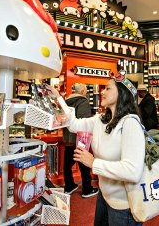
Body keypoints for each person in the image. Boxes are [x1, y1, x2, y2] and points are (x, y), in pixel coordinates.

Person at [48, 71, 145, 226]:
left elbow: (133, 171)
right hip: (104, 195)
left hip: (123, 204)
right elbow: (73, 124)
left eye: (107, 88)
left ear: (122, 94)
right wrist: (57, 97)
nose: (102, 91)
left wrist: (93, 163)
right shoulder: (100, 120)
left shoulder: (130, 124)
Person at [63, 83, 98, 198]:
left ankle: (69, 186)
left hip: (68, 137)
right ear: (83, 91)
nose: (87, 93)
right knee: (84, 163)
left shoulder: (66, 102)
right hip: (79, 138)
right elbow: (84, 121)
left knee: (67, 164)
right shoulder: (83, 101)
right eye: (86, 91)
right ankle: (87, 189)